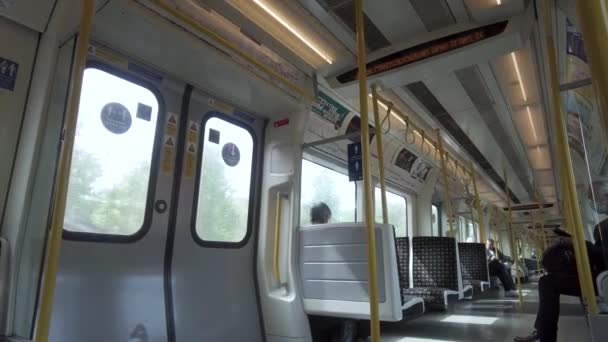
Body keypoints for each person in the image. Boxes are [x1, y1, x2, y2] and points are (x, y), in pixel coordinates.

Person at [514, 220, 608, 342]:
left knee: (548, 283)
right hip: (597, 276)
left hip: (601, 278)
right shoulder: (602, 227)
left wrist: (578, 243)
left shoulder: (603, 227)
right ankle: (543, 333)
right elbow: (597, 255)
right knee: (547, 281)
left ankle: (544, 335)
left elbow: (603, 256)